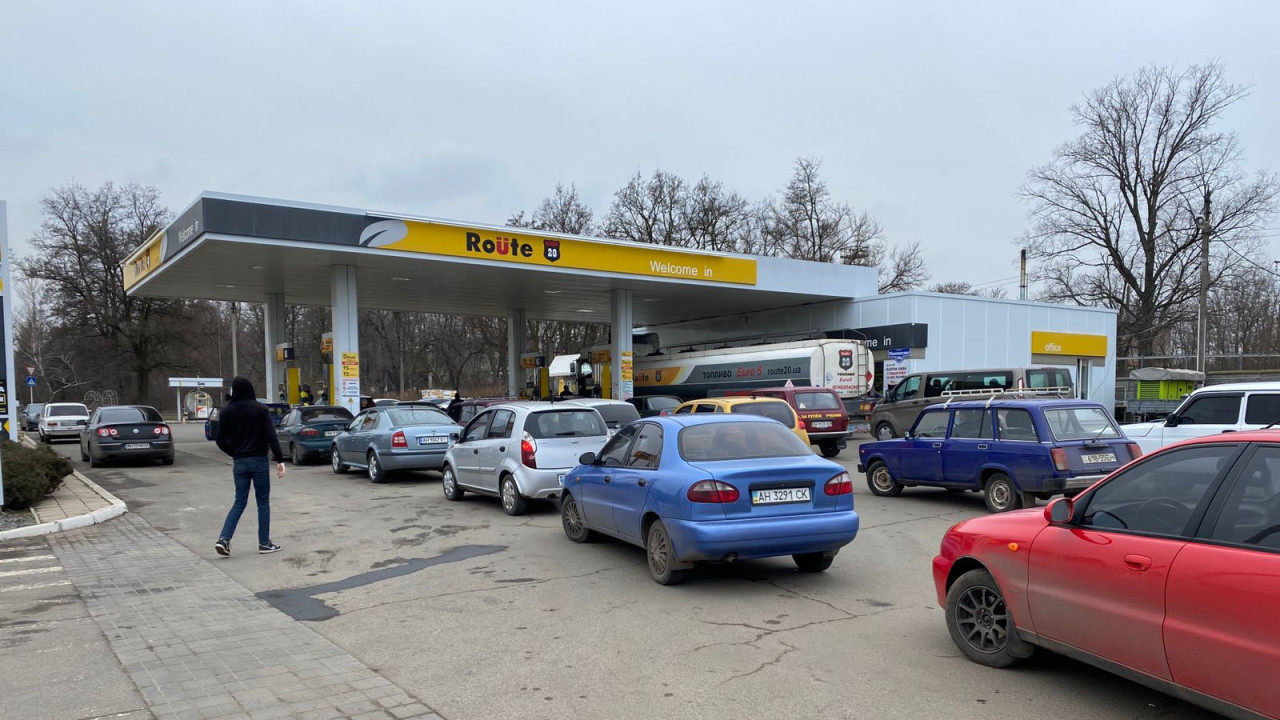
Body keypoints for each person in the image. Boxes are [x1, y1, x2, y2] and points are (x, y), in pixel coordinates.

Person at [214, 377, 286, 556]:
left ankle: (223, 539)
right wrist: (280, 460)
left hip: (240, 462)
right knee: (263, 502)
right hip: (259, 460)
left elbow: (220, 440)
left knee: (239, 501)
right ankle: (264, 543)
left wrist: (234, 453)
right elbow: (271, 436)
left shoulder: (227, 411)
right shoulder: (260, 409)